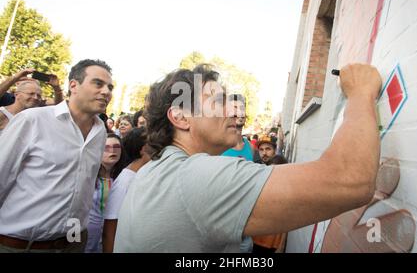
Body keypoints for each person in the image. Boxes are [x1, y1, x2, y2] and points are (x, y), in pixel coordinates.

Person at [114, 63, 382, 252]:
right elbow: (351, 180)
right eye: (218, 101)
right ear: (181, 117)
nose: (235, 111)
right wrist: (360, 91)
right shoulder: (196, 177)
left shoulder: (154, 170)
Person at [0, 59, 114, 253]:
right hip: (21, 246)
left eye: (110, 87)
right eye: (98, 83)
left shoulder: (100, 132)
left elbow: (82, 191)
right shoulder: (33, 120)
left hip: (73, 243)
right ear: (73, 85)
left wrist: (77, 242)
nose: (106, 91)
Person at [102, 127, 150, 252]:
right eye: (154, 144)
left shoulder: (141, 175)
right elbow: (110, 228)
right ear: (143, 150)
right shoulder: (124, 181)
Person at [221, 93, 254, 252]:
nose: (239, 112)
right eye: (234, 108)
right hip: (222, 228)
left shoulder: (250, 146)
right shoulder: (217, 146)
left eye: (242, 108)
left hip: (245, 229)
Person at [85, 133, 126, 253]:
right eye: (106, 147)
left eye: (116, 147)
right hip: (87, 237)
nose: (112, 150)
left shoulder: (124, 177)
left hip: (115, 235)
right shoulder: (87, 176)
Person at [252, 154, 288, 253]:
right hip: (255, 240)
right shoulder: (259, 188)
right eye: (271, 170)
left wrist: (281, 246)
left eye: (278, 170)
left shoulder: (286, 193)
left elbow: (287, 223)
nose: (274, 174)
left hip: (273, 245)